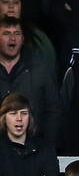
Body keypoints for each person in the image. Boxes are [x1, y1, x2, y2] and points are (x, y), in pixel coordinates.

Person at [0, 16, 62, 146]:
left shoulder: (41, 68)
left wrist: (46, 147)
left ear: (23, 39)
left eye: (17, 33)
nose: (12, 38)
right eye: (6, 33)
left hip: (34, 147)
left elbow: (53, 110)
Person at [0, 92, 58, 176]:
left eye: (24, 113)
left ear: (30, 117)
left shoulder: (44, 148)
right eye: (13, 113)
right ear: (4, 118)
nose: (19, 118)